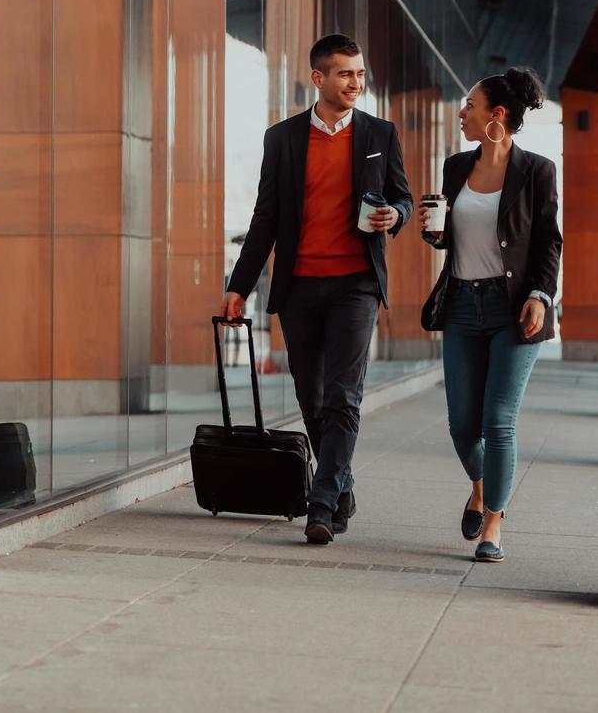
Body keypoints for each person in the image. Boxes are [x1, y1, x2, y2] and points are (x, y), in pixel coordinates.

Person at [220, 35, 413, 545]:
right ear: (319, 78)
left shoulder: (379, 133)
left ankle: (322, 502)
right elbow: (265, 219)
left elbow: (404, 198)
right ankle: (341, 482)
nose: (356, 83)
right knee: (311, 396)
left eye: (361, 74)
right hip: (300, 285)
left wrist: (396, 215)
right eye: (346, 74)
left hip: (357, 284)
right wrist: (239, 287)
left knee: (343, 394)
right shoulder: (282, 139)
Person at [419, 68, 561, 564]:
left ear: (496, 116)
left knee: (498, 421)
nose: (463, 113)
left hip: (514, 309)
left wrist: (541, 294)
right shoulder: (455, 166)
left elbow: (549, 241)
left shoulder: (537, 171)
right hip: (460, 303)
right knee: (462, 424)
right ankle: (480, 487)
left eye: (470, 106)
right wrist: (433, 233)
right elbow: (449, 234)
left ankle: (494, 522)